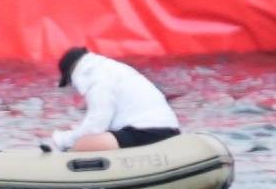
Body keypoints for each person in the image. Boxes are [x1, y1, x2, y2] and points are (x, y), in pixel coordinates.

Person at [55, 45, 183, 152]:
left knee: (83, 145)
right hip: (167, 128)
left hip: (147, 131)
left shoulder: (98, 80)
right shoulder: (112, 69)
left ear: (74, 74)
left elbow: (96, 126)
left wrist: (62, 140)